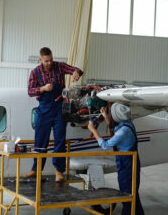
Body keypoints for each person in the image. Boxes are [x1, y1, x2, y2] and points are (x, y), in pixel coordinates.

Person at [25, 47, 83, 181]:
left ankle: (59, 171)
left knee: (60, 140)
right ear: (40, 59)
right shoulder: (35, 72)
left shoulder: (60, 66)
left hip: (59, 108)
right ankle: (36, 170)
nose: (49, 63)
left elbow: (77, 70)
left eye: (51, 60)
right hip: (44, 109)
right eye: (46, 61)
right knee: (40, 140)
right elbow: (30, 91)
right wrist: (43, 88)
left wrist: (76, 73)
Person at [88, 103, 145, 215]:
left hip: (128, 166)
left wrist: (93, 130)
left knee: (127, 195)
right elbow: (115, 128)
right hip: (127, 163)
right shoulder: (127, 124)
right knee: (133, 194)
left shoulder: (124, 132)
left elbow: (105, 145)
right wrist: (105, 116)